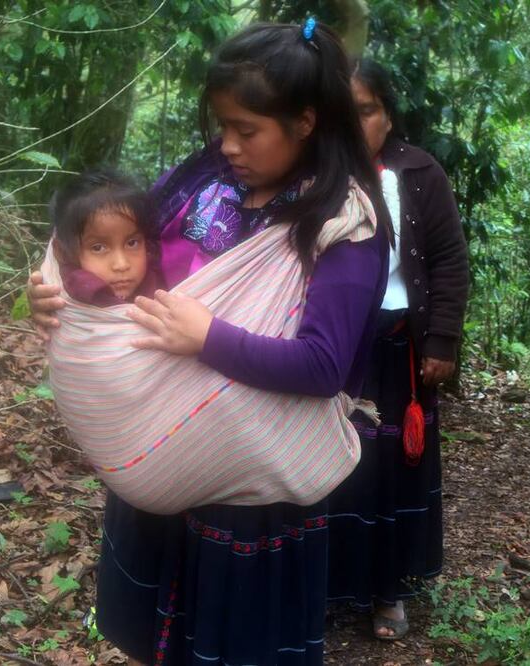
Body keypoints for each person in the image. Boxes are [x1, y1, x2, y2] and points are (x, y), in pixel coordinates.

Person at [28, 22, 389, 665]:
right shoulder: (205, 178)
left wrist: (208, 338)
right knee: (164, 641)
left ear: (305, 122)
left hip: (248, 494)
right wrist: (64, 295)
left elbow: (324, 365)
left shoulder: (341, 223)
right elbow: (123, 263)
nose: (228, 144)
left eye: (247, 130)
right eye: (222, 125)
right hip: (163, 456)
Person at [325, 59, 469, 640]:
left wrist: (442, 339)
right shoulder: (320, 173)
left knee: (395, 468)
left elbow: (449, 261)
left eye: (367, 110)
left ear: (387, 114)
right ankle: (334, 582)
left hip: (401, 346)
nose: (358, 123)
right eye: (348, 111)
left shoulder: (420, 172)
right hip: (338, 346)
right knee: (337, 461)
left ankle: (389, 590)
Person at [49, 169, 162, 306]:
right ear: (62, 253)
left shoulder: (157, 280)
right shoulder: (71, 286)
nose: (122, 265)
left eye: (132, 243)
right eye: (98, 247)